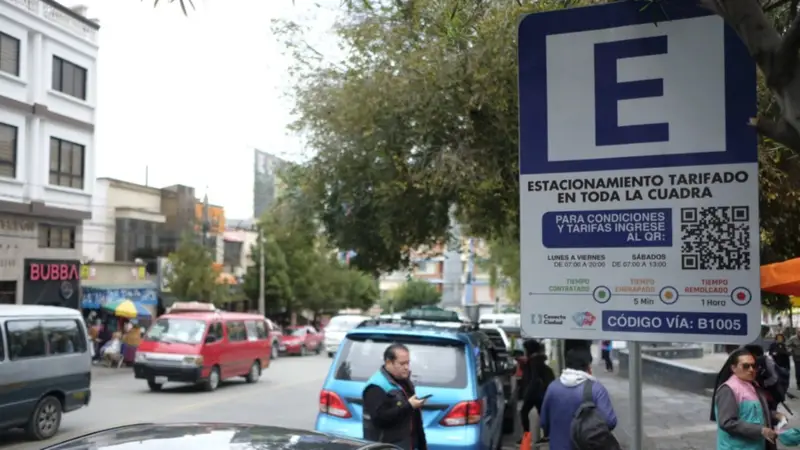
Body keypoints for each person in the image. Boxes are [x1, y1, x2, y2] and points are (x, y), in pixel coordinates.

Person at [540, 348, 617, 450]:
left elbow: (544, 422)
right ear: (588, 366)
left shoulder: (553, 388)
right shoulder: (596, 389)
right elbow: (610, 421)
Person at [710, 347, 782, 450]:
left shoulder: (754, 386)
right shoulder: (728, 389)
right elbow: (727, 422)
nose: (751, 370)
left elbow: (755, 412)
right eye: (746, 366)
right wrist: (761, 430)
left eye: (754, 366)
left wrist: (776, 415)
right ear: (733, 368)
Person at [362, 343, 427, 450]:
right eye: (402, 364)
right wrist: (409, 406)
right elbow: (380, 419)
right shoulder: (376, 386)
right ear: (388, 362)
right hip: (386, 446)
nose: (406, 367)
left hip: (408, 443)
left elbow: (415, 419)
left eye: (408, 363)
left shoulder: (404, 381)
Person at [519, 340, 555, 446]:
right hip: (540, 393)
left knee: (524, 412)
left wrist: (527, 393)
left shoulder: (534, 361)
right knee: (541, 413)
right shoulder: (536, 360)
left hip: (535, 393)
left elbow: (533, 379)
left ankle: (527, 436)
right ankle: (546, 435)